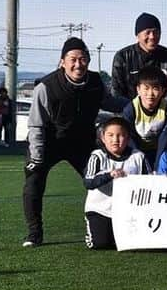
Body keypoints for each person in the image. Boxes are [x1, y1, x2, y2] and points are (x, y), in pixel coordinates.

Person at [22, 37, 106, 247]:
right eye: (73, 59)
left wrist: (136, 102)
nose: (78, 64)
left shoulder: (95, 82)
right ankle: (34, 234)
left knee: (101, 180)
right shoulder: (46, 86)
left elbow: (109, 103)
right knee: (33, 182)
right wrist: (37, 157)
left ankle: (106, 228)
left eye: (83, 59)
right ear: (62, 62)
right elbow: (36, 125)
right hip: (50, 141)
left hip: (82, 142)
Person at [83, 116, 151, 249]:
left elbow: (148, 182)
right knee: (100, 244)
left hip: (129, 210)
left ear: (128, 138)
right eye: (110, 135)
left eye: (121, 135)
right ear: (103, 138)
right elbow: (88, 182)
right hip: (100, 209)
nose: (115, 140)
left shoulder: (138, 156)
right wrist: (109, 175)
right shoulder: (97, 156)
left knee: (133, 244)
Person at [111, 12, 167, 103]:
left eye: (156, 32)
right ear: (138, 35)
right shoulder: (123, 56)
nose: (152, 36)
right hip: (130, 111)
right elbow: (117, 93)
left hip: (162, 112)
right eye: (148, 32)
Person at [120, 66, 167, 163]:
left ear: (162, 91)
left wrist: (158, 164)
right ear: (138, 89)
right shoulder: (130, 110)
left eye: (155, 89)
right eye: (146, 88)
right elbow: (130, 138)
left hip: (161, 151)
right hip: (136, 151)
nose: (150, 93)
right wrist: (140, 159)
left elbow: (165, 138)